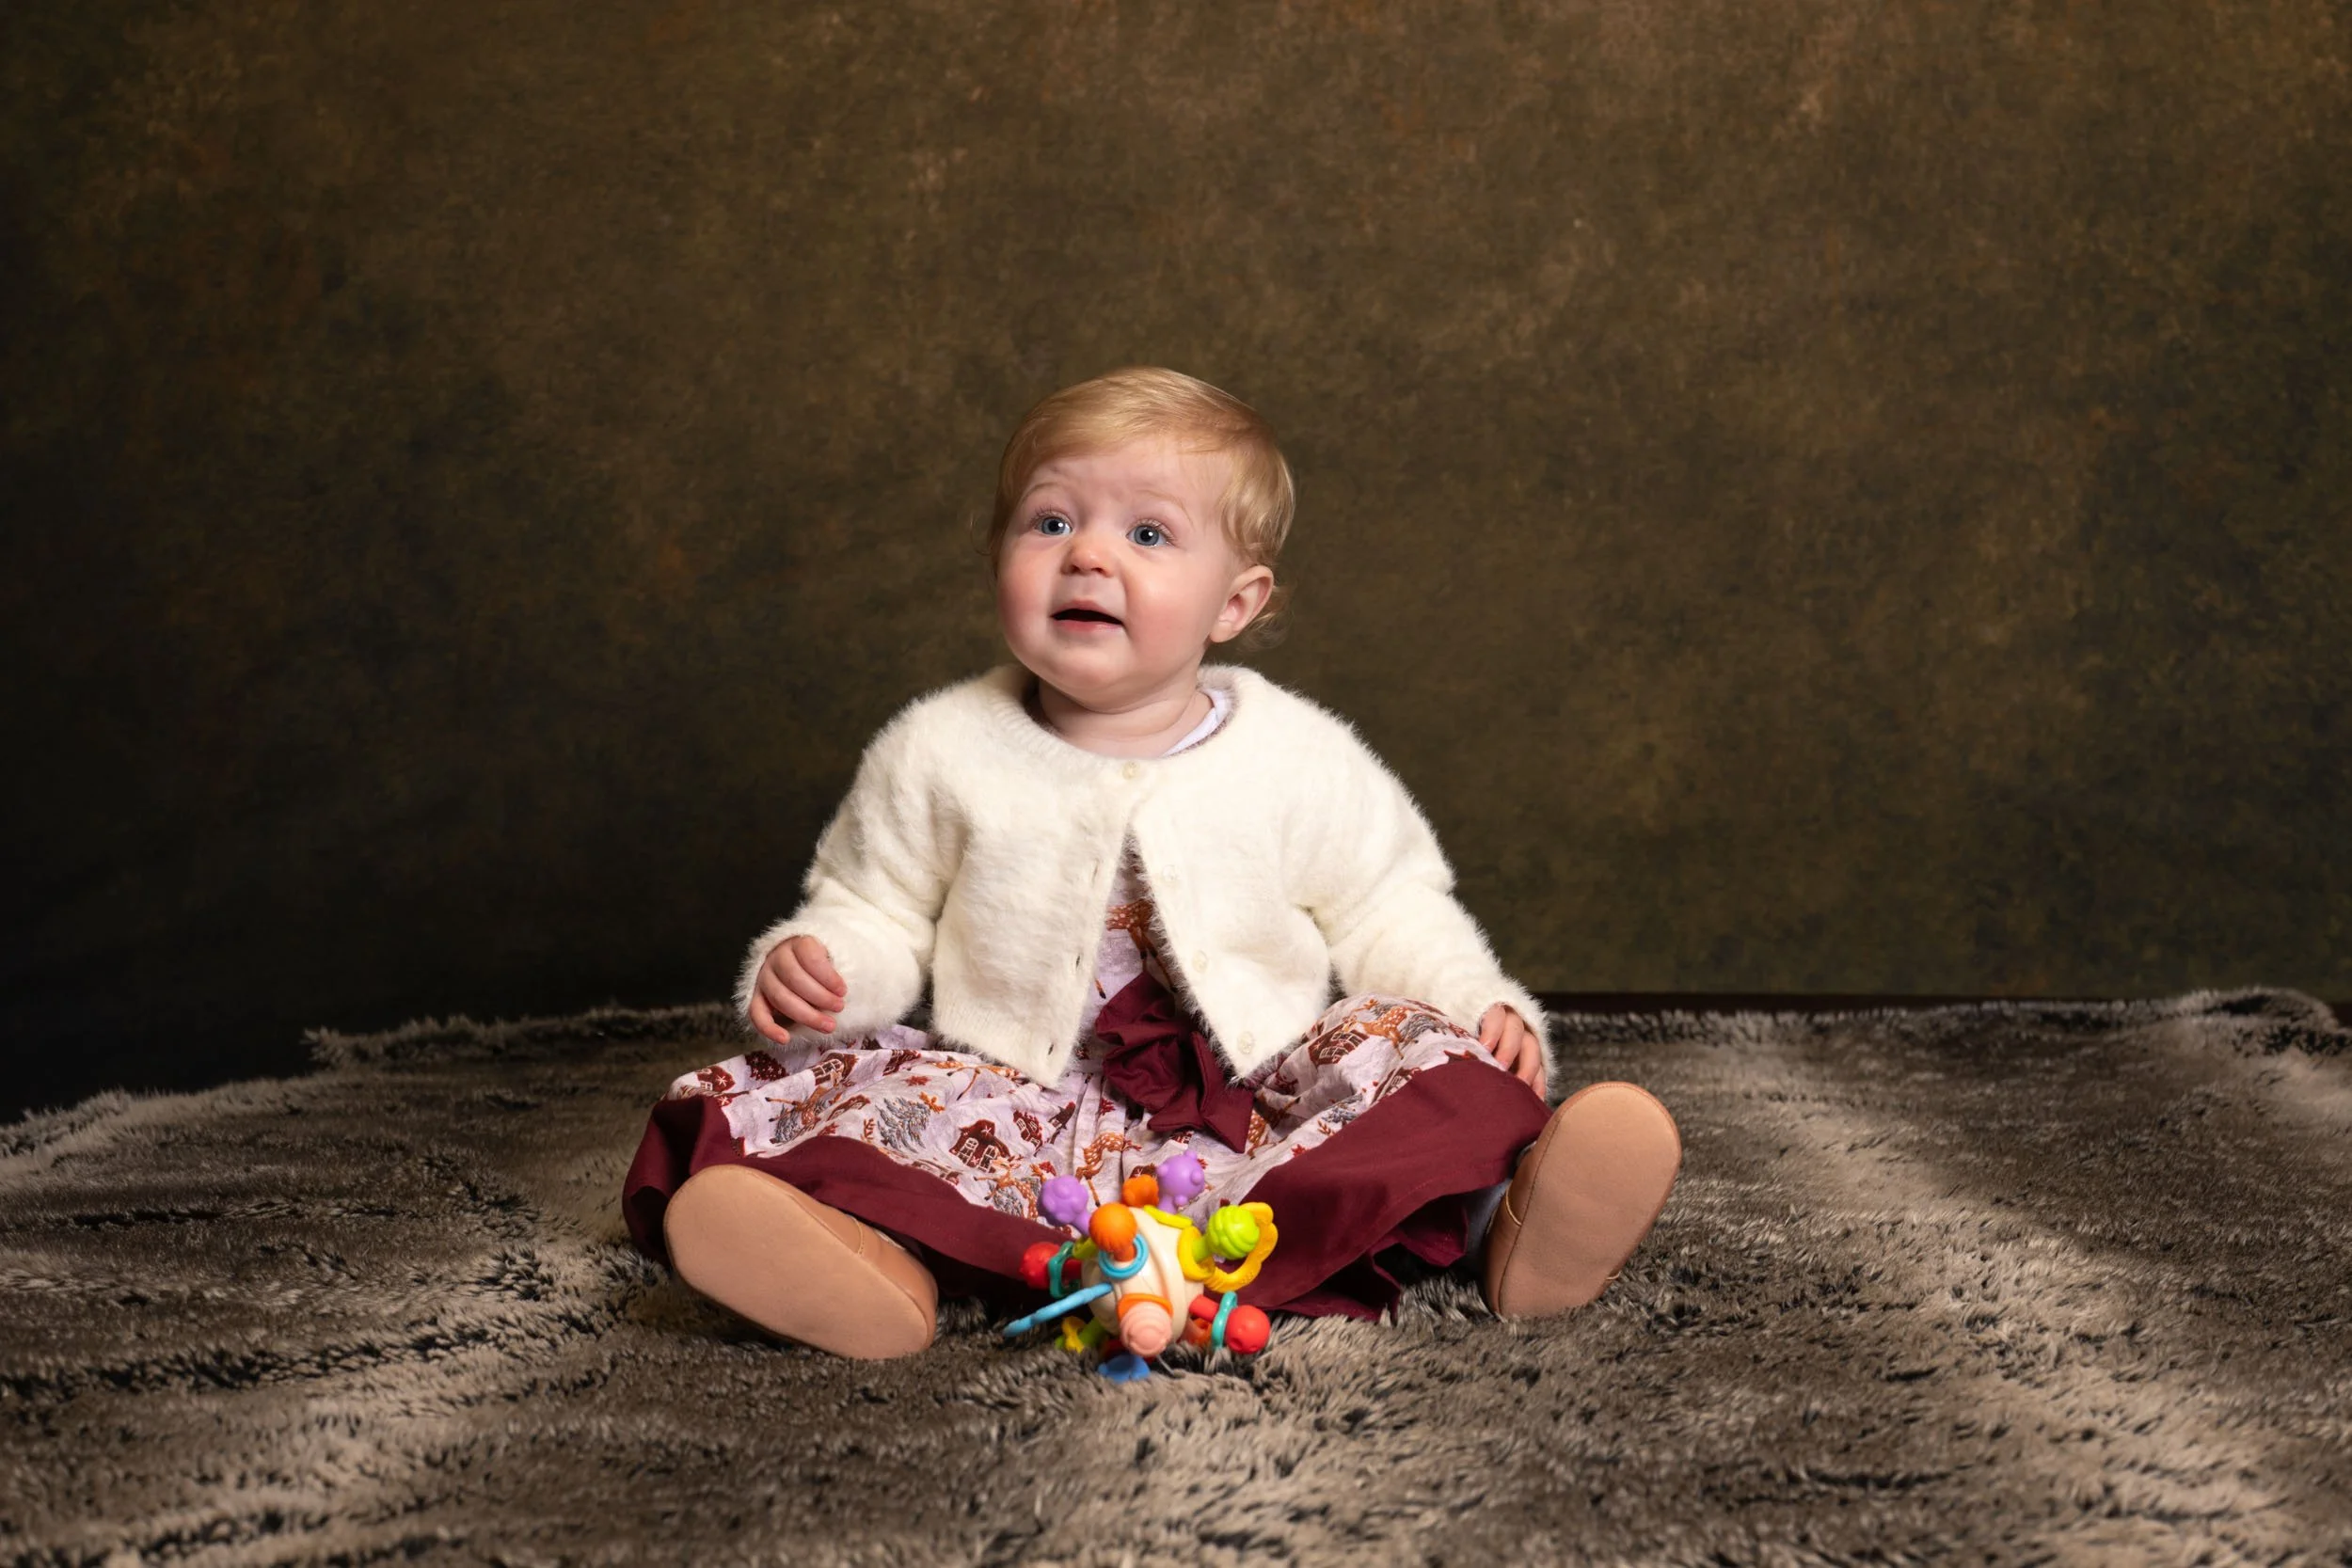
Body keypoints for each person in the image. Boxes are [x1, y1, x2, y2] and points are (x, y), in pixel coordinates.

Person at [622, 367, 1681, 1359]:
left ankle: (1513, 1219)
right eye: (1050, 521)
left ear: (1234, 604)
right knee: (840, 1101)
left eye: (1146, 532)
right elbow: (881, 906)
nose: (1087, 554)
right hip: (1021, 1100)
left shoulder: (1296, 750)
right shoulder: (938, 746)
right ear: (996, 556)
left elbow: (1384, 907)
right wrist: (827, 960)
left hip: (1255, 1092)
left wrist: (1474, 1003)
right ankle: (878, 1268)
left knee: (1415, 1052)